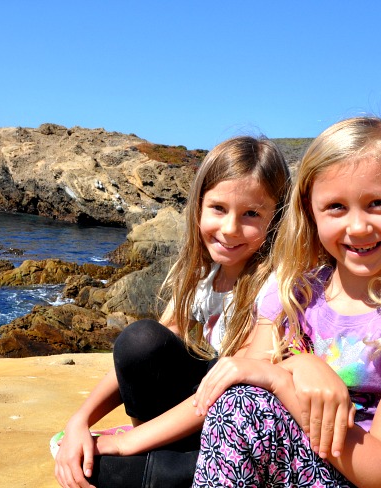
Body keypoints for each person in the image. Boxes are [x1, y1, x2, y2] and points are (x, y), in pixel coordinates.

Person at [192, 116, 381, 487]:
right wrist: (301, 364)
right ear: (311, 212)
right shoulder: (294, 294)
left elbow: (380, 469)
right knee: (239, 401)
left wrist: (282, 380)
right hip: (297, 463)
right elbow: (249, 373)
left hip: (366, 475)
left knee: (245, 405)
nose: (357, 227)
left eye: (377, 203)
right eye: (337, 207)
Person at [53, 135, 291, 488]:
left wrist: (125, 444)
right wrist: (80, 420)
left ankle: (155, 456)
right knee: (141, 339)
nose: (230, 229)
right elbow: (141, 355)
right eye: (218, 209)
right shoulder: (203, 275)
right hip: (192, 421)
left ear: (276, 218)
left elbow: (220, 393)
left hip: (236, 439)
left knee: (100, 471)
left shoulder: (273, 287)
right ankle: (156, 451)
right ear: (198, 207)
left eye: (251, 214)